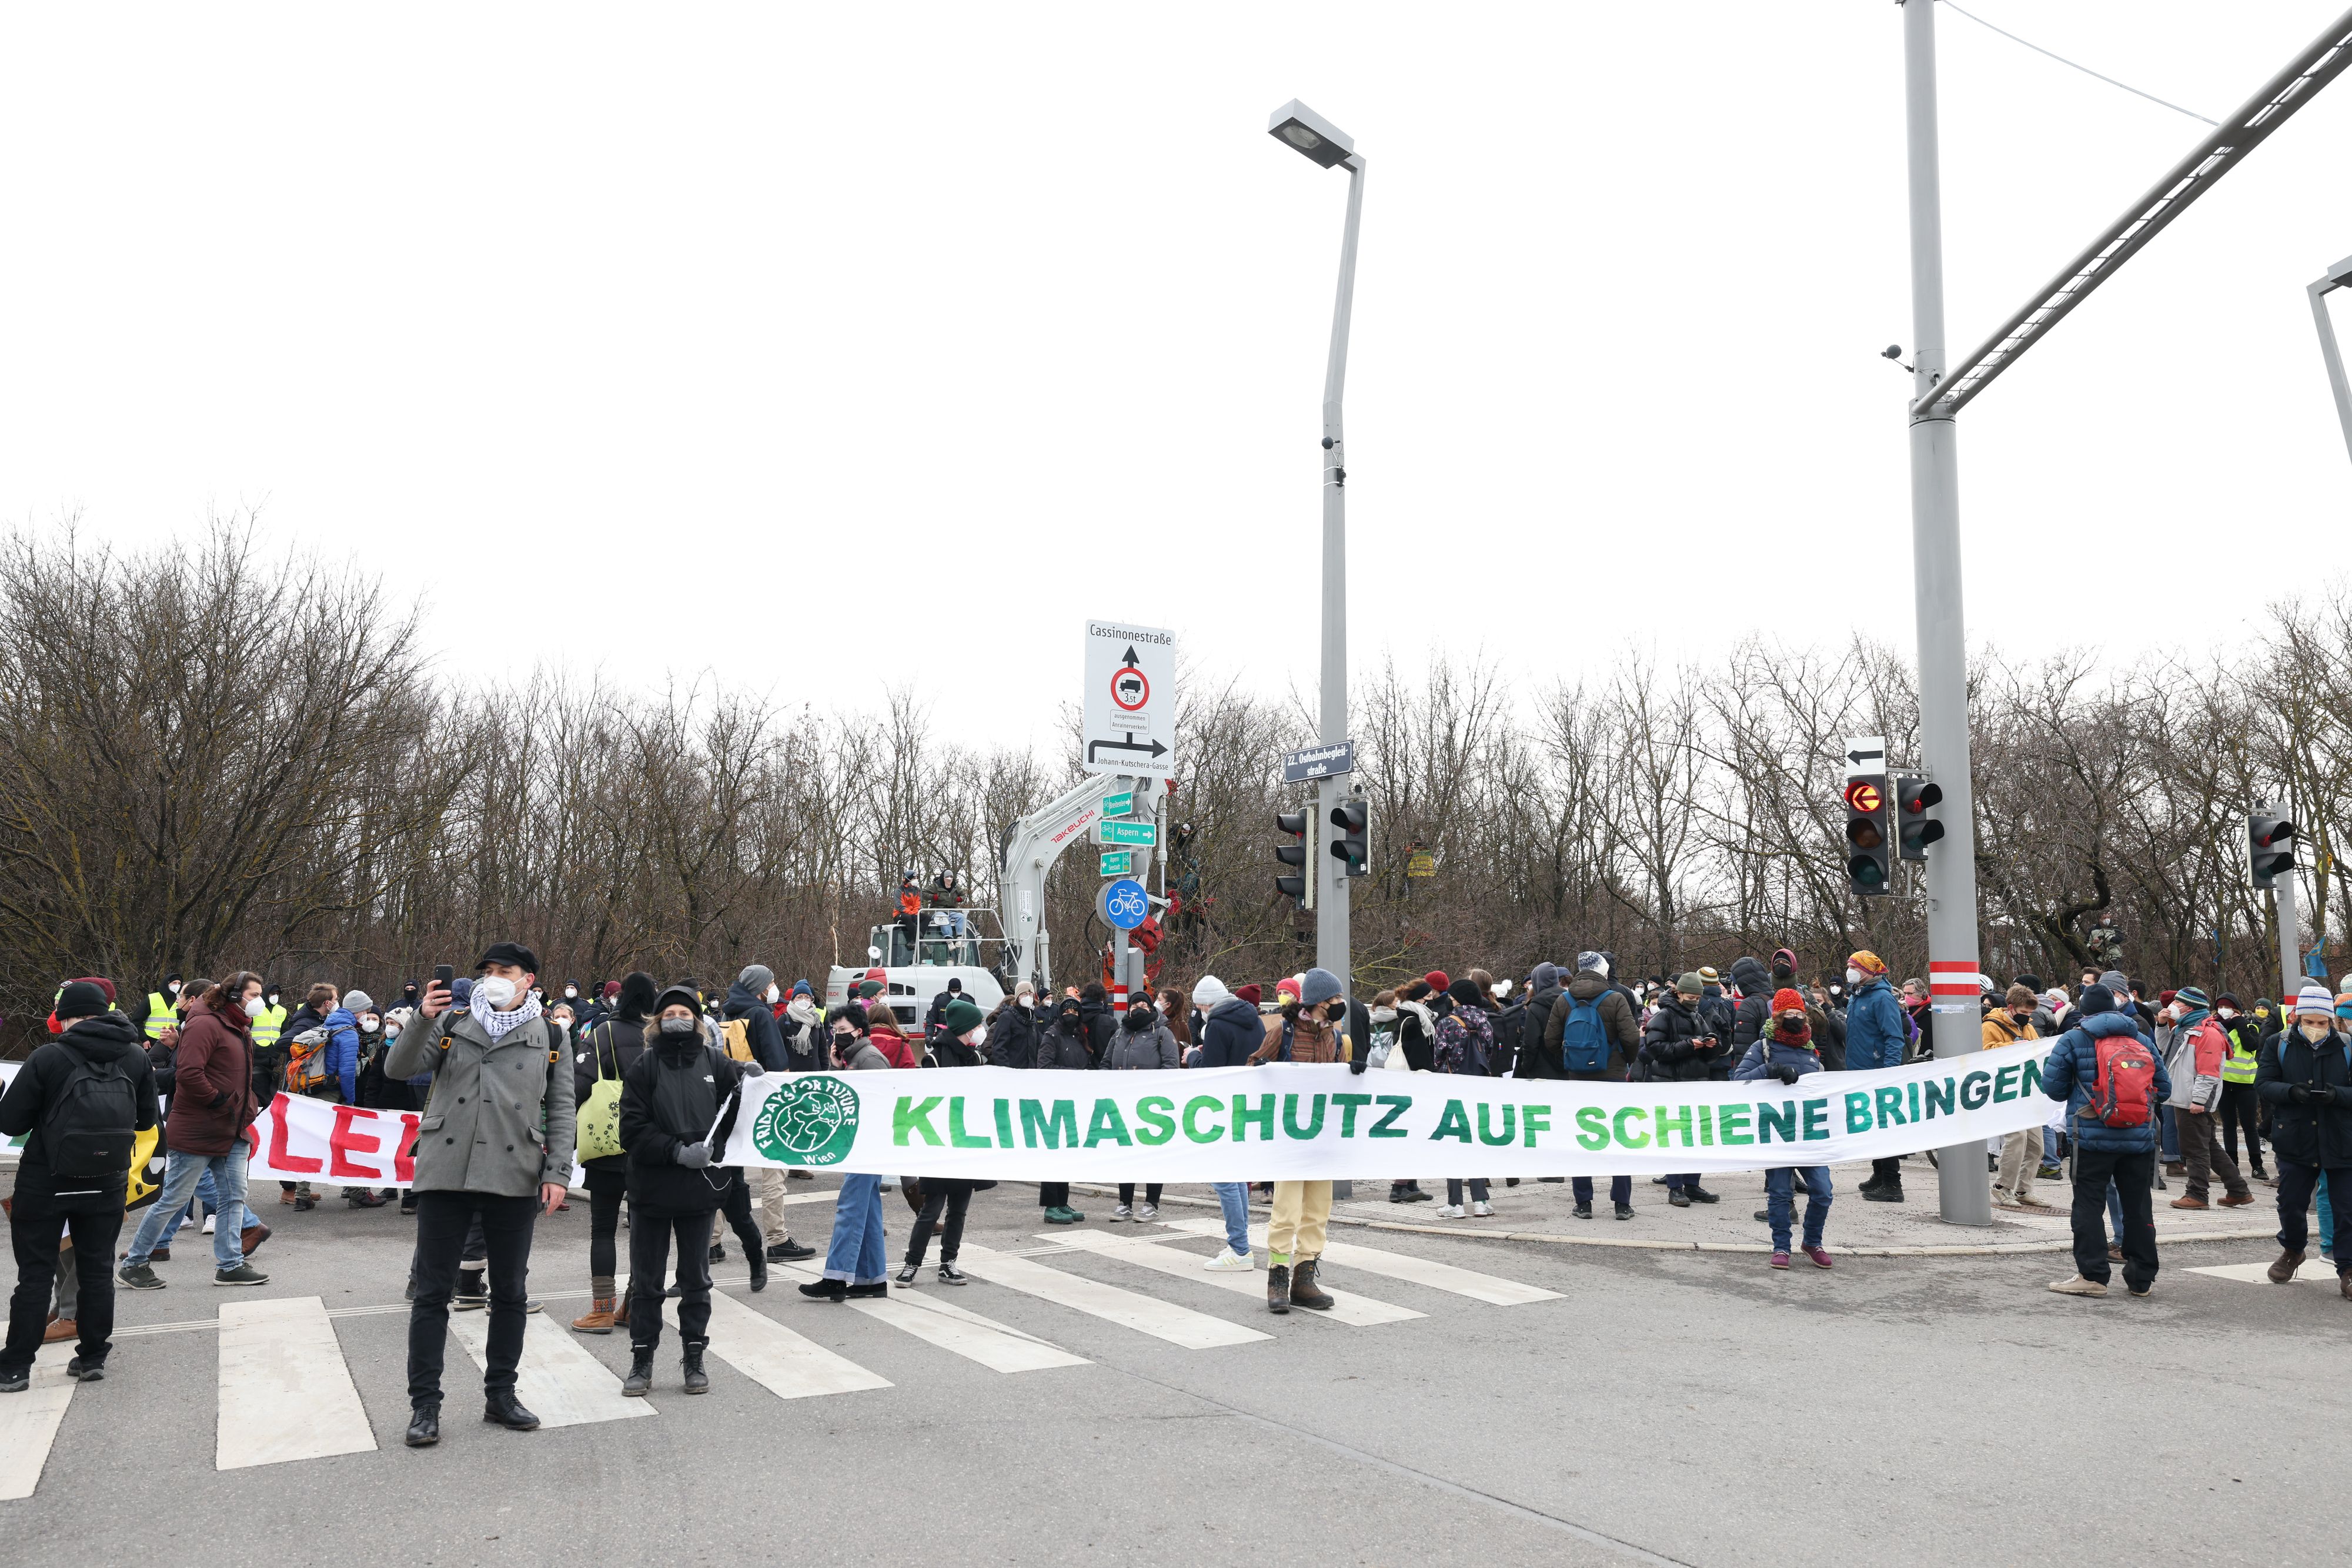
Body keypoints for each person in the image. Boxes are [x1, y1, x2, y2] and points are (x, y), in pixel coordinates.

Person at [385, 942, 575, 1449]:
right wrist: (423, 1018)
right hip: (446, 1170)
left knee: (510, 1292)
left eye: (503, 970)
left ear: (527, 979)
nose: (493, 978)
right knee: (432, 1293)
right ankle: (425, 1405)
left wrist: (558, 1170)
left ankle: (501, 1394)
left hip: (514, 1171)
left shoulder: (552, 1033)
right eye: (487, 971)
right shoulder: (452, 1022)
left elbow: (561, 1106)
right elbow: (398, 1069)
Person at [1, 981, 160, 1392]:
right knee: (96, 1271)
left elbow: (11, 1122)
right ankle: (92, 1357)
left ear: (67, 1017)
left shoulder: (48, 1057)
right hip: (106, 1182)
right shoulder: (135, 1056)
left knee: (34, 1276)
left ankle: (16, 1367)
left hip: (46, 1180)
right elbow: (145, 1122)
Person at [617, 985, 757, 1395]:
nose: (676, 1017)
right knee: (647, 1283)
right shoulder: (644, 1067)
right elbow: (632, 1131)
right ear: (656, 1021)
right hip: (652, 1192)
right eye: (668, 1012)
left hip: (700, 1193)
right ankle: (642, 1360)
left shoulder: (718, 1061)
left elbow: (738, 1116)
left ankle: (694, 1357)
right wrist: (676, 1151)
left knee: (695, 1280)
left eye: (684, 1011)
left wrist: (753, 1082)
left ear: (697, 1019)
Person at [116, 974, 268, 1292]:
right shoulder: (205, 1023)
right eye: (254, 994)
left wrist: (245, 1106)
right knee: (174, 1199)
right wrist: (221, 1102)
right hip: (201, 1128)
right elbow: (188, 1074)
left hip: (232, 1128)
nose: (260, 1000)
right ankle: (134, 1264)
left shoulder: (236, 1024)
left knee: (233, 1198)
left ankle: (230, 1265)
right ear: (236, 995)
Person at [2040, 982, 2169, 1299]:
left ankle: (2093, 1275)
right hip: (2138, 1136)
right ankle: (2141, 1280)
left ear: (2084, 1010)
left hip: (2091, 1136)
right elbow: (2163, 1089)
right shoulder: (2140, 1037)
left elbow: (2054, 1089)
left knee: (2088, 1205)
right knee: (2138, 1207)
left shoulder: (2073, 1038)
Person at [1256, 968, 1364, 1313]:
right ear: (1318, 1002)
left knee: (1318, 1211)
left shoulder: (1335, 1038)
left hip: (1322, 1140)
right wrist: (1259, 1069)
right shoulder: (1283, 1033)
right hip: (1289, 1140)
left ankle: (1304, 1278)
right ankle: (1277, 1276)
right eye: (1334, 1000)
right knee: (1286, 1210)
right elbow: (1253, 1072)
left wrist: (1353, 1074)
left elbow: (1338, 1087)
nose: (1339, 1005)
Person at [569, 972, 653, 1335]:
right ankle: (633, 1307)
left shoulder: (601, 1034)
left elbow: (578, 1084)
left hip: (606, 1145)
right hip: (648, 1146)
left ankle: (601, 1311)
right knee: (643, 1230)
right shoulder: (656, 1037)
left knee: (603, 1229)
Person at [2255, 983, 2352, 1296]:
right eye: (2309, 1022)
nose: (2315, 1029)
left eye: (2322, 1023)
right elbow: (2264, 1084)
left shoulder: (2348, 1046)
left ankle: (2348, 1268)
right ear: (2298, 1019)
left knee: (2346, 1208)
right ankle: (2293, 1249)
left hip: (2341, 1138)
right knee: (2291, 1202)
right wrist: (2290, 1092)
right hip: (2295, 1137)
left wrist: (2338, 1095)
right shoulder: (2277, 1043)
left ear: (2332, 1021)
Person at [1528, 952, 1641, 1219]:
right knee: (1619, 1138)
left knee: (1581, 1138)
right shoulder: (1616, 999)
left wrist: (1570, 1061)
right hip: (1612, 1076)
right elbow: (1632, 1036)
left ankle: (1584, 1203)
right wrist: (1624, 1060)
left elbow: (1551, 1040)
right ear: (1604, 971)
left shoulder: (1564, 1000)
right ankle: (1622, 1204)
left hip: (1578, 1078)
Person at [1733, 988, 1833, 1269]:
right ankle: (1781, 1247)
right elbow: (1739, 1081)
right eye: (1788, 1014)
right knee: (1780, 1194)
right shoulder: (1762, 1047)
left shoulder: (1811, 1048)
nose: (1795, 1018)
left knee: (1823, 1192)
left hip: (1810, 1133)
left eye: (1799, 1014)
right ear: (1777, 1017)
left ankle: (1812, 1242)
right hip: (1777, 1132)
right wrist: (1771, 1070)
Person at [800, 1009, 894, 1302]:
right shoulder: (853, 1058)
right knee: (867, 1211)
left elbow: (881, 1103)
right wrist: (836, 1067)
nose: (835, 1034)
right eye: (834, 1029)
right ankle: (871, 1280)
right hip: (861, 1145)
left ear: (858, 1031)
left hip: (868, 1146)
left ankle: (836, 1277)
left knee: (851, 1208)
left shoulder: (870, 1059)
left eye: (841, 1028)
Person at [721, 964, 811, 1268]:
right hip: (763, 1102)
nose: (774, 987)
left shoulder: (727, 1013)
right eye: (772, 982)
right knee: (773, 1168)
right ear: (760, 986)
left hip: (731, 1099)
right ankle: (778, 1239)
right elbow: (778, 1065)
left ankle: (712, 1242)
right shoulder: (760, 1014)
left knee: (726, 1171)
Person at [899, 999, 988, 1285]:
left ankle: (948, 1262)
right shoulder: (934, 1059)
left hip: (965, 1145)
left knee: (959, 1211)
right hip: (939, 1146)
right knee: (931, 1210)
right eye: (976, 1025)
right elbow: (928, 1102)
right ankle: (912, 1263)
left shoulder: (975, 1058)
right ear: (964, 1028)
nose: (980, 1030)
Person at [2162, 985, 2254, 1213]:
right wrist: (2161, 1025)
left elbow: (2209, 1072)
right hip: (2184, 1096)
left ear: (2189, 1007)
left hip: (2192, 1099)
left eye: (2177, 1003)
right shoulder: (2186, 1028)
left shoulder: (2207, 1033)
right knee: (2210, 1147)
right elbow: (2166, 1050)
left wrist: (2199, 1100)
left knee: (2194, 1148)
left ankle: (2197, 1194)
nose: (2172, 1006)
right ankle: (2238, 1190)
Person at [1639, 974, 1724, 1208]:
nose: (1695, 1001)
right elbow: (1654, 1048)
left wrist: (1711, 1045)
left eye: (1698, 997)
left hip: (1696, 1082)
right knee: (1676, 1136)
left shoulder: (1697, 1016)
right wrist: (1688, 1046)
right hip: (1671, 1083)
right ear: (1678, 994)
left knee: (1696, 1136)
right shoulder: (1664, 1016)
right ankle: (1675, 1187)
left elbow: (1710, 1054)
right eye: (1691, 997)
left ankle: (1693, 1185)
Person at [1842, 952, 1909, 1202]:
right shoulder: (1857, 995)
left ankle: (1892, 1183)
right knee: (1873, 1126)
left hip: (1877, 1071)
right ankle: (1879, 1174)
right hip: (1860, 1070)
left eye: (1854, 967)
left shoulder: (1882, 998)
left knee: (1884, 1128)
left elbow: (1894, 1037)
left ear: (1868, 971)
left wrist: (1888, 1071)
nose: (1850, 970)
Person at [1107, 999, 1178, 1220]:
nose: (1138, 1010)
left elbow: (1171, 1065)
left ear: (1151, 1009)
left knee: (1152, 1153)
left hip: (1152, 1105)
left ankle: (1151, 1204)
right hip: (1124, 1102)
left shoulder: (1162, 1033)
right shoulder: (1120, 1033)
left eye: (1143, 1006)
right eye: (1134, 1006)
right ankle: (1125, 1203)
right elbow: (1105, 1062)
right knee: (1125, 1152)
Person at [1982, 985, 2050, 1210]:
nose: (2028, 1017)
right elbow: (1985, 1052)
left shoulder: (2028, 1027)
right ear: (2011, 1008)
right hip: (2006, 1090)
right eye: (2025, 1012)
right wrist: (2012, 1046)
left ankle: (2024, 1189)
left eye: (2031, 1013)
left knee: (2036, 1145)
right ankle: (2003, 1186)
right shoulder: (1990, 1025)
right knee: (2017, 1139)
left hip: (2026, 1090)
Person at [1032, 997, 1091, 1223]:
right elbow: (1044, 1067)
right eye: (1067, 1010)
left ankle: (1062, 1201)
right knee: (1053, 1154)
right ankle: (1051, 1205)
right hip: (1053, 1102)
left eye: (1075, 1011)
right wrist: (1072, 1075)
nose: (1071, 1014)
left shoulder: (1079, 1035)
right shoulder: (1052, 1036)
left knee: (1066, 1154)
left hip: (1073, 1101)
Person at [2214, 992, 2268, 1182]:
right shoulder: (2216, 1027)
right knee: (2229, 1126)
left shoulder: (2249, 1026)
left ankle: (2257, 1166)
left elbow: (2251, 1045)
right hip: (2224, 1082)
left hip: (2246, 1085)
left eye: (2227, 1007)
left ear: (2236, 1009)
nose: (2223, 1010)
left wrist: (2240, 1025)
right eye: (2220, 1007)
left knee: (2249, 1127)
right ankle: (2232, 1166)